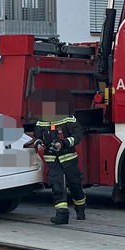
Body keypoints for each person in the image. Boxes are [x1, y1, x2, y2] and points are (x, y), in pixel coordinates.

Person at [29, 89, 86, 225]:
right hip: (52, 159)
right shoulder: (41, 121)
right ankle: (62, 214)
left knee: (75, 184)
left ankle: (80, 209)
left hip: (69, 159)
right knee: (57, 186)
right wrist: (39, 144)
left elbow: (78, 135)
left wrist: (63, 143)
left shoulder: (68, 118)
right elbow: (36, 136)